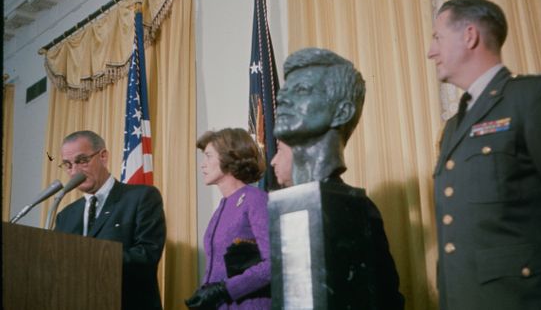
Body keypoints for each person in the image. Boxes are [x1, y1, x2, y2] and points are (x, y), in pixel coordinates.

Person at [428, 0, 541, 310]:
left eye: (437, 38)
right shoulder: (454, 126)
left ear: (469, 36)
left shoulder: (533, 97)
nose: (431, 52)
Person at [274, 47, 405, 309]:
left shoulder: (356, 211)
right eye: (285, 91)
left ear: (341, 112)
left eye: (300, 91)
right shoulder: (284, 203)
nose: (281, 99)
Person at [54, 130, 166, 310]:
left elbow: (147, 256)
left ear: (103, 156)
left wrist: (87, 258)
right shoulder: (66, 215)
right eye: (68, 164)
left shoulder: (141, 197)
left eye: (82, 161)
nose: (74, 171)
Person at [185, 128, 271, 309]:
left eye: (208, 156)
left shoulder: (255, 200)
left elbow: (272, 264)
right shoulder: (221, 208)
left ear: (229, 157)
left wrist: (224, 290)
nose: (202, 164)